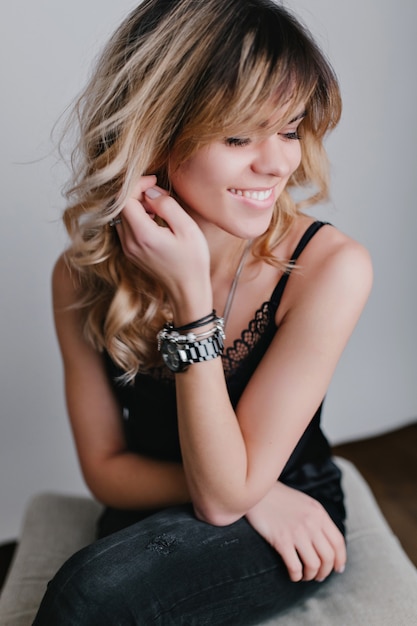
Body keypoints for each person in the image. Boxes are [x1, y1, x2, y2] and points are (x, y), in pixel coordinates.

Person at [33, 0, 372, 623]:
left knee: (91, 592)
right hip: (197, 503)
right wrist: (255, 492)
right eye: (239, 135)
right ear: (156, 135)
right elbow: (108, 472)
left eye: (291, 128)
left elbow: (222, 507)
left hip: (295, 523)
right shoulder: (80, 275)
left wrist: (192, 303)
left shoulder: (329, 267)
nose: (276, 163)